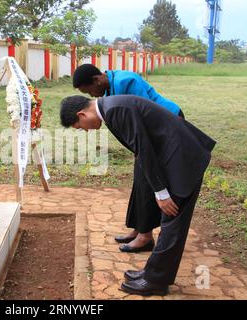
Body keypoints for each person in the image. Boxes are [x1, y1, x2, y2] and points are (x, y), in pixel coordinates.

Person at [60, 95, 216, 296]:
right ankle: (152, 273)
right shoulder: (111, 108)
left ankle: (155, 281)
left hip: (182, 158)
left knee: (172, 220)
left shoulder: (115, 110)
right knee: (170, 218)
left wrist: (160, 192)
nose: (86, 130)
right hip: (172, 155)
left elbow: (143, 149)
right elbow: (142, 147)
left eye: (80, 126)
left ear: (82, 114)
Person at [73, 64, 184, 253]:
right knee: (140, 179)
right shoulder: (108, 90)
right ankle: (140, 228)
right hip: (146, 136)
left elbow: (146, 115)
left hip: (166, 125)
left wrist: (143, 149)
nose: (92, 96)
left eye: (90, 90)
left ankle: (145, 237)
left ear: (96, 80)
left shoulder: (126, 81)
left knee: (148, 178)